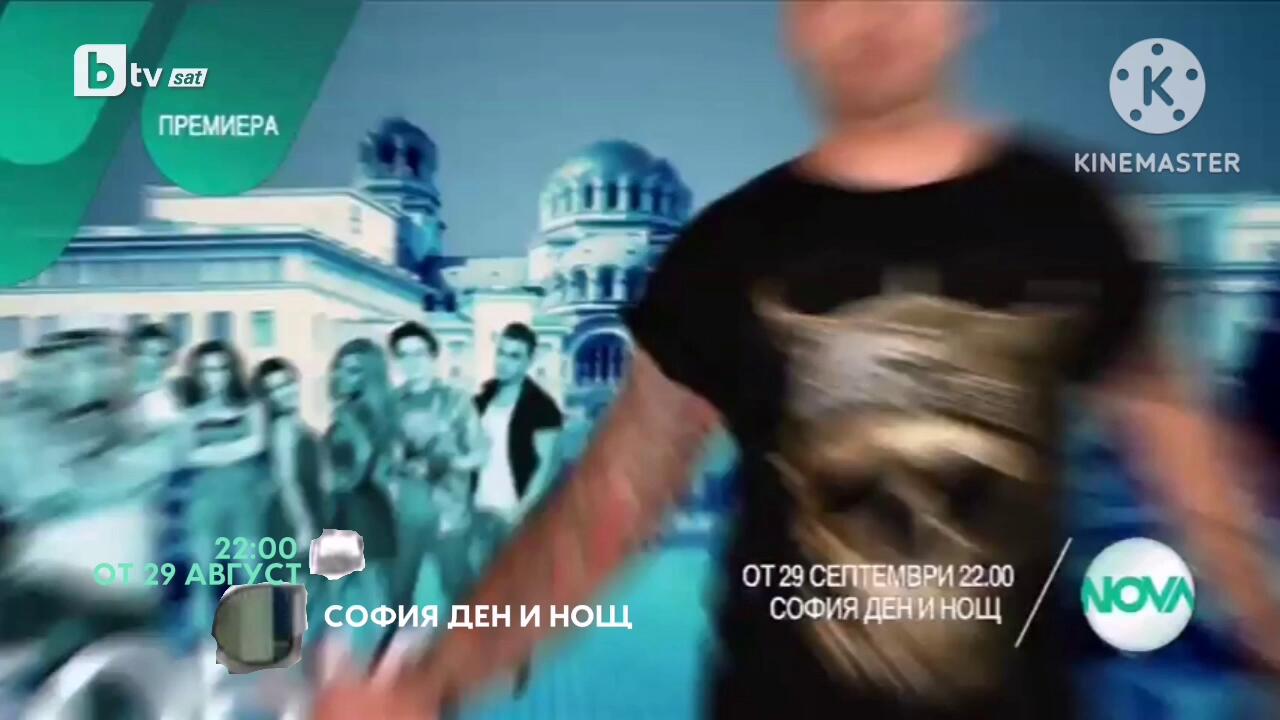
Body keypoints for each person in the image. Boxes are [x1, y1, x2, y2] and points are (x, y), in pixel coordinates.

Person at [313, 3, 1280, 718]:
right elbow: (609, 505)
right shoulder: (726, 253)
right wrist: (429, 682)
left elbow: (1193, 470)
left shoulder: (1071, 220)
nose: (874, 13)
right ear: (797, 20)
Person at [0, 330, 183, 702]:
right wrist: (147, 459)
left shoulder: (129, 415)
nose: (102, 373)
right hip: (52, 591)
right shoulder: (15, 417)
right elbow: (46, 491)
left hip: (123, 599)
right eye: (82, 363)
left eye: (106, 361)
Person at [383, 322, 488, 615]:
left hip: (449, 515)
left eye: (419, 353)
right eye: (404, 355)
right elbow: (384, 462)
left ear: (432, 356)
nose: (412, 362)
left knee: (461, 595)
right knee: (397, 597)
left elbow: (479, 453)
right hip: (404, 516)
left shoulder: (456, 402)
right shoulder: (391, 405)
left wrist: (447, 463)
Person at [181, 340, 267, 628]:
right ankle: (204, 641)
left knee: (249, 573)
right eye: (207, 370)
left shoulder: (251, 407)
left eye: (220, 369)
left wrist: (212, 453)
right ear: (197, 375)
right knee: (202, 575)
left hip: (244, 500)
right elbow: (186, 454)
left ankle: (256, 638)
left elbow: (257, 444)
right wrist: (232, 451)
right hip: (205, 500)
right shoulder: (191, 413)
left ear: (232, 371)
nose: (214, 377)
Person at [323, 339, 399, 633]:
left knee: (350, 589)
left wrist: (343, 482)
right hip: (361, 506)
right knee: (358, 590)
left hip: (356, 506)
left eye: (354, 370)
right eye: (340, 368)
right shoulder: (376, 412)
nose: (343, 376)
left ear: (370, 375)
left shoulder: (353, 414)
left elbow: (364, 455)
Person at [474, 323, 563, 523]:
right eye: (501, 353)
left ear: (529, 361)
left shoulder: (543, 407)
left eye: (514, 356)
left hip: (514, 516)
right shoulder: (481, 400)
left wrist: (520, 514)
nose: (503, 362)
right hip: (477, 512)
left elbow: (546, 469)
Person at [252, 357, 328, 548]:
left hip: (311, 508)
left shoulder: (299, 425)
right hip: (296, 517)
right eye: (274, 389)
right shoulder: (283, 428)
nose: (284, 392)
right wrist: (303, 525)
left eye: (286, 383)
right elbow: (286, 481)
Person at [124, 322, 184, 433]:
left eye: (163, 354)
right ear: (132, 357)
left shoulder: (171, 393)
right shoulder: (121, 402)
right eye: (148, 354)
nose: (156, 361)